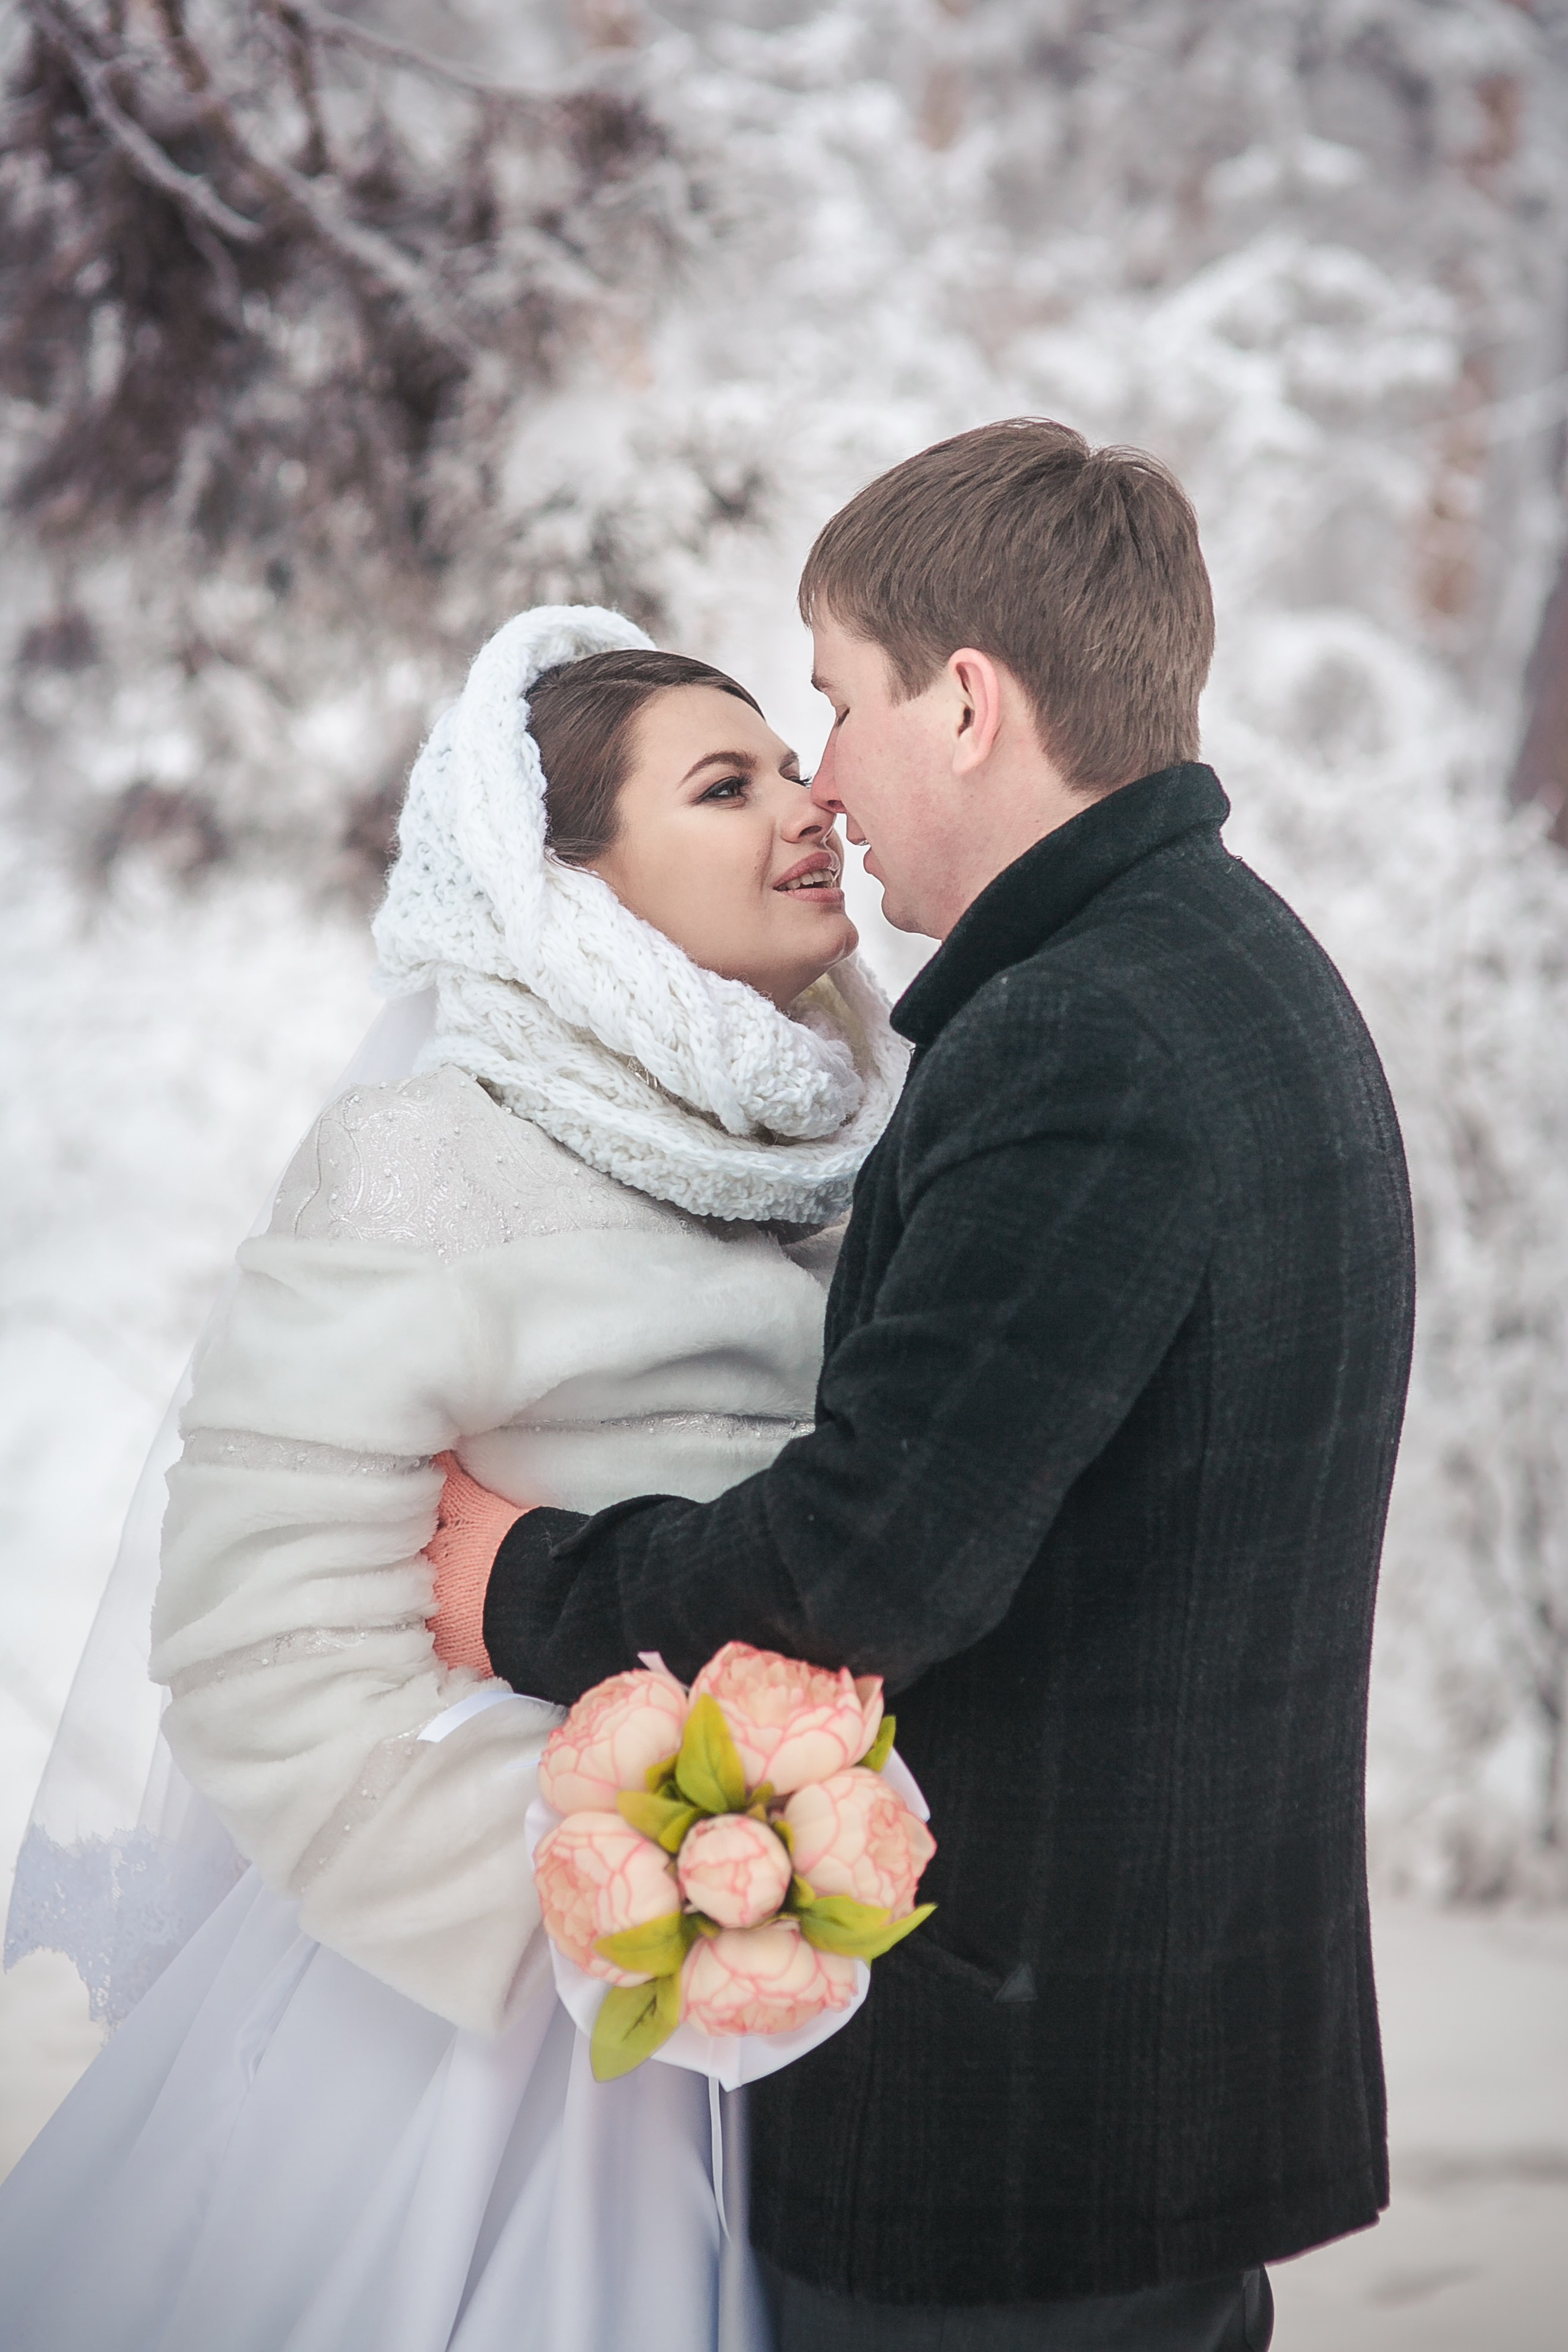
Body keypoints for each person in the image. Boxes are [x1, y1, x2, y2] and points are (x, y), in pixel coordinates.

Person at [452, 421, 1418, 2351]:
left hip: (1010, 2129)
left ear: (968, 702)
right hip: (1128, 2076)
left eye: (837, 700)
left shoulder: (1084, 1039)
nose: (827, 780)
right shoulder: (1220, 963)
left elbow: (867, 1564)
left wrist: (522, 1587)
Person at [0, 608, 907, 2352]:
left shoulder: (884, 1136)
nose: (810, 809)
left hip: (829, 2009)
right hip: (493, 2029)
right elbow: (261, 1641)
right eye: (728, 787)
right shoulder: (437, 1153)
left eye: (796, 764)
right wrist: (600, 1894)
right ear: (567, 886)